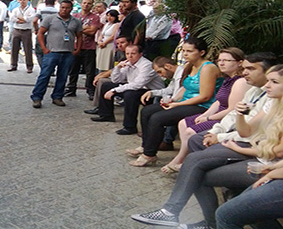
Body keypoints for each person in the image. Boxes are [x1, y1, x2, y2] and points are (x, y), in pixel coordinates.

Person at [131, 64, 283, 229]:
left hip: (265, 161)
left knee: (199, 170)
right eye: (268, 81)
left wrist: (236, 147)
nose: (267, 85)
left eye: (273, 82)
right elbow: (245, 131)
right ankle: (193, 218)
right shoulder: (270, 101)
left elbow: (277, 150)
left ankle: (175, 213)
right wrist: (240, 115)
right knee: (197, 168)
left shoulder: (251, 90)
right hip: (260, 154)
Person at [128, 37, 222, 166]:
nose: (185, 54)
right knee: (147, 111)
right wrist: (173, 100)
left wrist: (177, 104)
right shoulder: (189, 66)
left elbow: (205, 96)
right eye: (183, 51)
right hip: (186, 102)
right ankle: (146, 145)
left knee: (158, 118)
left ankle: (149, 155)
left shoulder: (207, 68)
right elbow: (185, 87)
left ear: (201, 52)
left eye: (189, 51)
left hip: (202, 106)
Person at [161, 47, 248, 173]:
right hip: (217, 114)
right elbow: (218, 101)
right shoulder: (228, 79)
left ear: (239, 62)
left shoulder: (240, 82)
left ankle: (186, 161)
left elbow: (231, 110)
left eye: (227, 60)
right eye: (220, 60)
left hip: (226, 119)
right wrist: (205, 115)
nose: (221, 63)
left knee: (191, 131)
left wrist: (208, 118)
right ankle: (183, 157)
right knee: (183, 123)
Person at [186, 52, 277, 153]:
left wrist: (219, 137)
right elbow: (233, 114)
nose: (244, 73)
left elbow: (253, 130)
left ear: (269, 72)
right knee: (196, 139)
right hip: (235, 132)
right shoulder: (253, 90)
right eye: (244, 69)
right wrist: (215, 131)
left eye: (251, 69)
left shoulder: (273, 96)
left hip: (251, 141)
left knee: (198, 157)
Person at [90, 45, 164, 135]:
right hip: (136, 88)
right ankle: (106, 114)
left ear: (140, 54)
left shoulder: (147, 65)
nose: (130, 56)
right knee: (106, 85)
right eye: (127, 53)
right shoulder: (128, 63)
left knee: (130, 94)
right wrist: (117, 68)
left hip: (151, 92)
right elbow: (116, 80)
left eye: (133, 53)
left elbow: (137, 85)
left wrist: (114, 90)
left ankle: (130, 127)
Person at [30, 0, 82, 108]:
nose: (64, 10)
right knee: (45, 75)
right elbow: (40, 33)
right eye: (62, 7)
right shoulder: (50, 19)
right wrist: (44, 48)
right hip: (52, 52)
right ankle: (37, 97)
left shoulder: (75, 21)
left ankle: (57, 97)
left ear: (71, 9)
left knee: (63, 76)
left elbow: (80, 36)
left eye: (67, 8)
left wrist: (77, 49)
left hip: (68, 53)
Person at [64, 0, 102, 99]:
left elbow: (92, 31)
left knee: (90, 71)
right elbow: (69, 30)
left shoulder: (95, 17)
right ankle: (71, 88)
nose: (86, 5)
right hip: (75, 47)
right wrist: (84, 28)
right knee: (73, 69)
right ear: (81, 4)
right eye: (84, 3)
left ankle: (90, 90)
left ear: (92, 5)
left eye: (89, 3)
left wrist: (79, 29)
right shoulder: (75, 16)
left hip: (89, 47)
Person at [84, 36, 132, 114]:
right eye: (118, 43)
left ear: (130, 43)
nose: (120, 45)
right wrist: (101, 74)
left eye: (122, 43)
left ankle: (102, 109)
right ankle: (100, 107)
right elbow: (115, 68)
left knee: (103, 82)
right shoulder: (118, 52)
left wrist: (101, 75)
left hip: (128, 79)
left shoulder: (130, 53)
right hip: (119, 76)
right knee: (101, 80)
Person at [8, 0, 35, 73]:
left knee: (28, 49)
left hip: (26, 31)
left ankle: (29, 66)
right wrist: (22, 20)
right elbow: (12, 18)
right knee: (14, 49)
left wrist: (20, 19)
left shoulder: (31, 10)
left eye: (24, 0)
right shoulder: (16, 9)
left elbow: (30, 19)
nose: (22, 1)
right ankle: (13, 65)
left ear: (27, 1)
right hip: (16, 30)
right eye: (21, 0)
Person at [32, 0, 59, 68]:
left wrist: (36, 29)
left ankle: (43, 67)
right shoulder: (58, 12)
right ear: (54, 3)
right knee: (52, 52)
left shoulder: (41, 10)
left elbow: (34, 21)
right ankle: (51, 68)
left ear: (45, 3)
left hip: (42, 34)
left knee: (40, 52)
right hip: (54, 35)